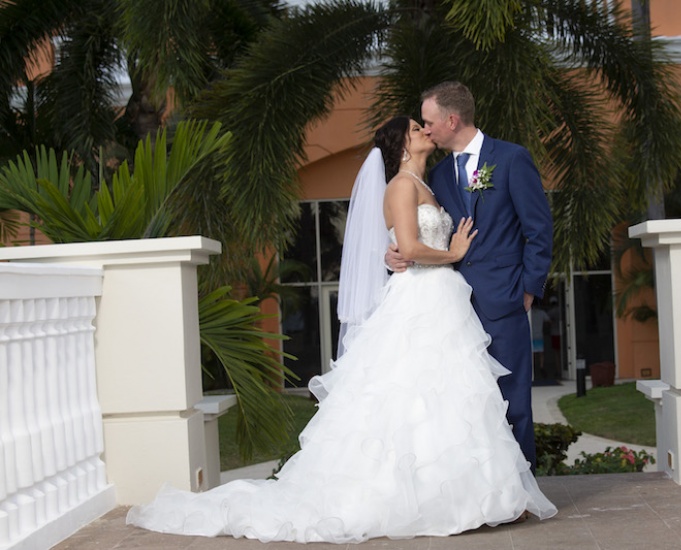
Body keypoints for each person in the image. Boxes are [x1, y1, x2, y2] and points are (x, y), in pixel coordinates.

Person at [125, 116, 557, 544]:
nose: (424, 131)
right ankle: (420, 497)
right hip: (422, 300)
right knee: (415, 395)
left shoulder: (434, 182)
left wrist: (419, 253)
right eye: (415, 128)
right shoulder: (402, 186)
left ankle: (470, 494)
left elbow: (409, 244)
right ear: (401, 146)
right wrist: (451, 252)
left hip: (447, 300)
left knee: (451, 396)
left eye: (425, 124)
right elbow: (410, 248)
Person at [386, 82, 554, 471]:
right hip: (448, 309)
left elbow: (538, 229)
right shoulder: (438, 175)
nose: (425, 131)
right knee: (463, 404)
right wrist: (393, 251)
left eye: (428, 123)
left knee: (512, 400)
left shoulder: (511, 159)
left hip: (502, 299)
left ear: (452, 119)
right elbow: (419, 229)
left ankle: (521, 492)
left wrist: (528, 289)